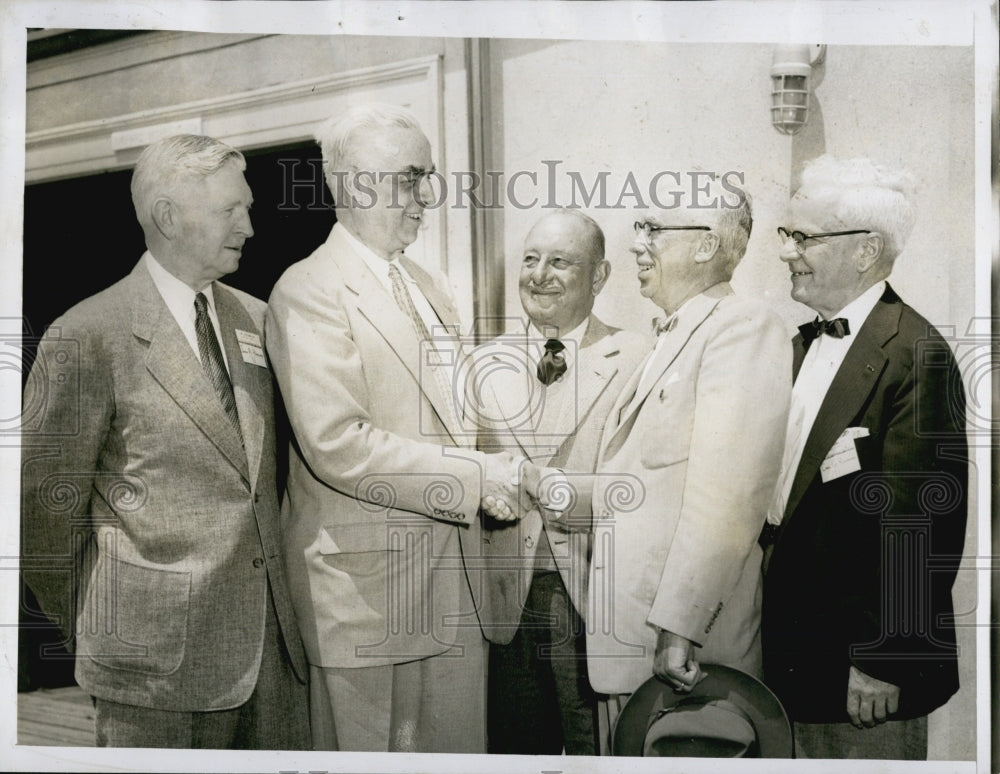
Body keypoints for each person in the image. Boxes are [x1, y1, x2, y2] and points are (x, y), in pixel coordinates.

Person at [20, 134, 310, 749]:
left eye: (248, 208)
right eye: (231, 210)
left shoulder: (259, 319)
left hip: (273, 665)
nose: (249, 227)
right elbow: (40, 516)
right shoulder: (86, 334)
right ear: (168, 217)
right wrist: (105, 628)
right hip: (151, 676)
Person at [264, 103, 526, 753]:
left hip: (455, 586)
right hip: (367, 601)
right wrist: (478, 477)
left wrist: (503, 470)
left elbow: (456, 418)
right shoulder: (308, 290)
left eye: (428, 176)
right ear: (354, 185)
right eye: (411, 178)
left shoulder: (428, 285)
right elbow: (339, 443)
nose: (428, 196)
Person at [529, 180, 792, 747]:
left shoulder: (742, 326)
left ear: (705, 245)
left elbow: (729, 499)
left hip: (683, 656)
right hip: (632, 648)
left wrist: (681, 626)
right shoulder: (669, 338)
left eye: (653, 229)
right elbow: (647, 485)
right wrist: (542, 486)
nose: (637, 243)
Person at [760, 155, 968, 760]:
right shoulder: (800, 345)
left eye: (804, 237)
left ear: (865, 250)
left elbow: (921, 527)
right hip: (786, 662)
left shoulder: (917, 353)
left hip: (861, 682)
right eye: (788, 234)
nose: (787, 251)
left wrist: (886, 659)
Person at [471, 210, 648, 755]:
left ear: (599, 276)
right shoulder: (481, 364)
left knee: (598, 752)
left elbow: (642, 485)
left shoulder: (638, 358)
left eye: (560, 262)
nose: (540, 274)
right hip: (502, 606)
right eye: (531, 259)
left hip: (594, 598)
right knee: (515, 758)